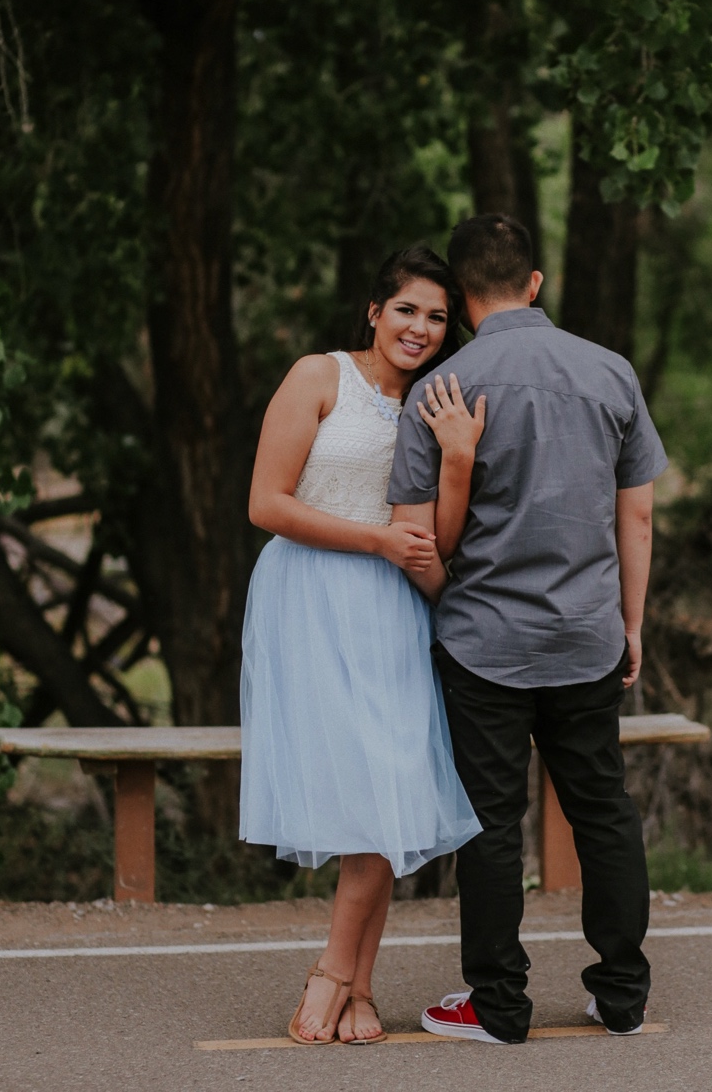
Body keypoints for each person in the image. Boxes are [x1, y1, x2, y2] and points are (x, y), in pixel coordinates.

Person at [388, 213, 668, 1044]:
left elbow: (413, 540)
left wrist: (453, 607)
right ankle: (622, 996)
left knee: (489, 821)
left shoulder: (440, 391)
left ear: (465, 300)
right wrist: (632, 624)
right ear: (535, 284)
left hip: (484, 644)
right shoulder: (609, 372)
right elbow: (641, 516)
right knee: (603, 812)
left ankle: (499, 1006)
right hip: (587, 637)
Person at [240, 245, 483, 1046]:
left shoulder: (430, 404)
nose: (420, 327)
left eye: (437, 317)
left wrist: (456, 463)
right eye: (407, 309)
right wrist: (377, 542)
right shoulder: (319, 377)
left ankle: (352, 981)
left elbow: (433, 534)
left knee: (390, 784)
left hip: (391, 607)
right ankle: (340, 978)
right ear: (374, 312)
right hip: (311, 597)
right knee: (359, 795)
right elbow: (266, 504)